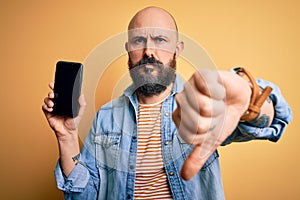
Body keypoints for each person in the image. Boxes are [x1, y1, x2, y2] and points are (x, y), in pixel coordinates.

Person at [42, 6, 292, 200]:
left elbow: (273, 121)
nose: (149, 51)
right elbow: (81, 196)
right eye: (139, 40)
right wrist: (67, 137)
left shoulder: (201, 102)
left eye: (161, 40)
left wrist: (251, 99)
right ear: (128, 49)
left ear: (178, 48)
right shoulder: (106, 117)